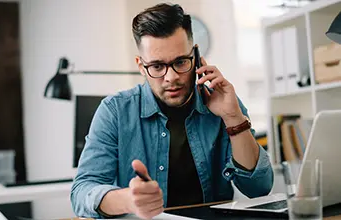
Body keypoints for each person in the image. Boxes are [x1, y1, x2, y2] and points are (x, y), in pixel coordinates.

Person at [71, 3, 273, 219]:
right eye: (157, 66)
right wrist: (129, 200)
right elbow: (82, 192)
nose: (171, 77)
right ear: (141, 66)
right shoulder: (115, 112)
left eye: (180, 62)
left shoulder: (225, 103)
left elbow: (259, 187)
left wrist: (234, 118)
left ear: (195, 57)